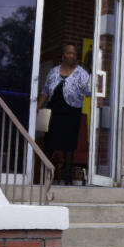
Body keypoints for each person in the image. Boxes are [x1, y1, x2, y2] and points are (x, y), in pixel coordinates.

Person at [37, 43, 90, 185]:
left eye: (74, 53)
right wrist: (38, 106)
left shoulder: (82, 73)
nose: (71, 56)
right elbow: (45, 91)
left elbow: (90, 92)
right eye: (68, 53)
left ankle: (67, 178)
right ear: (63, 55)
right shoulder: (54, 71)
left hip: (72, 112)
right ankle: (45, 177)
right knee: (49, 144)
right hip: (54, 111)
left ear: (76, 57)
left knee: (69, 145)